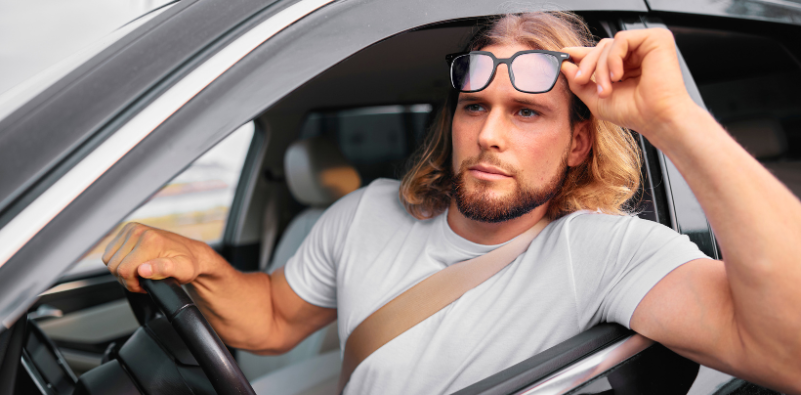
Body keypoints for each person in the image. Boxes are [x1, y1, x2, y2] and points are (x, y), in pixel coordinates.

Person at [102, 12, 801, 394]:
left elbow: (788, 352)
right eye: (474, 107)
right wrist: (197, 263)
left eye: (527, 114)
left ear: (578, 144)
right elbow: (275, 318)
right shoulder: (365, 212)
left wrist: (674, 121)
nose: (488, 135)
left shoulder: (604, 248)